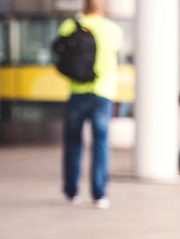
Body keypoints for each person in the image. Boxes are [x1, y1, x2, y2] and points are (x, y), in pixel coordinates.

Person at [58, 0, 121, 209]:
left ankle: (72, 192)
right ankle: (99, 194)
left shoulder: (71, 25)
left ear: (84, 7)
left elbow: (61, 47)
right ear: (103, 9)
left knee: (73, 143)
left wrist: (79, 18)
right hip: (103, 93)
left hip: (77, 92)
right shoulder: (112, 29)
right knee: (100, 144)